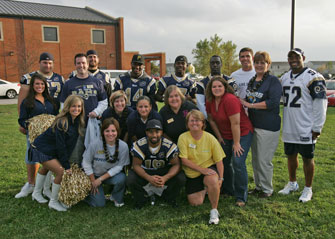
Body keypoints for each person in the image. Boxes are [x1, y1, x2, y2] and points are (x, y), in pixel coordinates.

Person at [278, 48, 327, 202]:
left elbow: (320, 103)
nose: (293, 60)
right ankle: (292, 183)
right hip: (289, 125)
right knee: (290, 155)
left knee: (307, 157)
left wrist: (317, 127)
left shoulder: (314, 77)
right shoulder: (285, 77)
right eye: (290, 57)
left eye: (296, 57)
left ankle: (308, 188)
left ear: (303, 57)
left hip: (306, 125)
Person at [30, 95, 85, 211]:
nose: (77, 109)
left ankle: (36, 193)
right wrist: (66, 165)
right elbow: (61, 146)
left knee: (46, 168)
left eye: (79, 106)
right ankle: (53, 202)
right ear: (67, 107)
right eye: (73, 106)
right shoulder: (62, 122)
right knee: (60, 171)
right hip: (41, 149)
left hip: (49, 150)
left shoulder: (76, 121)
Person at [239, 51, 282, 198]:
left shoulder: (273, 81)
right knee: (256, 159)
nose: (259, 65)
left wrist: (251, 106)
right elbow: (248, 98)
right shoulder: (253, 80)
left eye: (262, 62)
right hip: (254, 125)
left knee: (264, 160)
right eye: (257, 62)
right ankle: (259, 186)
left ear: (268, 64)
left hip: (268, 126)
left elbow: (273, 102)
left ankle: (267, 189)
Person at [206, 76, 253, 207]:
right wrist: (219, 137)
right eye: (214, 86)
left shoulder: (230, 100)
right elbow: (211, 120)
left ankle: (241, 196)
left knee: (238, 162)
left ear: (225, 87)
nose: (217, 89)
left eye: (220, 86)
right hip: (225, 135)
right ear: (210, 89)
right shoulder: (210, 100)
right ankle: (228, 189)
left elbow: (236, 123)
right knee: (223, 161)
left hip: (242, 133)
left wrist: (236, 143)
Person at [16, 73, 59, 199]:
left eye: (42, 84)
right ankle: (35, 190)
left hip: (49, 136)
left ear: (45, 86)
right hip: (35, 136)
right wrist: (32, 126)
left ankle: (45, 190)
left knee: (48, 161)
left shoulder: (51, 101)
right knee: (35, 159)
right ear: (32, 86)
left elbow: (55, 116)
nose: (40, 86)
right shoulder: (27, 102)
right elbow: (22, 119)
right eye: (37, 84)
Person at [177, 110, 224, 225]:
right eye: (191, 120)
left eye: (197, 120)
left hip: (208, 168)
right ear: (187, 123)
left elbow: (219, 161)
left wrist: (221, 179)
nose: (194, 123)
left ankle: (214, 210)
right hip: (192, 173)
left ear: (203, 123)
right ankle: (207, 189)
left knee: (212, 179)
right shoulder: (183, 138)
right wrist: (201, 170)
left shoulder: (210, 138)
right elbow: (184, 160)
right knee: (195, 203)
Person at [127, 119, 185, 209]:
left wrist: (165, 177)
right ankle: (141, 199)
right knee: (131, 178)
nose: (154, 135)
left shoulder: (168, 145)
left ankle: (169, 197)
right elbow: (136, 165)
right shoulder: (139, 145)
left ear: (162, 132)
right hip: (146, 171)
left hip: (163, 171)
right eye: (151, 132)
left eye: (157, 131)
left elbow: (177, 165)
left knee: (180, 177)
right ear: (146, 132)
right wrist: (148, 178)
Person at [82, 118, 130, 207]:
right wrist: (93, 181)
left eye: (113, 131)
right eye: (107, 131)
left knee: (122, 178)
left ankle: (115, 197)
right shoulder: (95, 144)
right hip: (94, 175)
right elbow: (86, 162)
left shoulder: (123, 146)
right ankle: (85, 195)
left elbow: (119, 166)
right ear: (102, 132)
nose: (110, 134)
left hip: (109, 176)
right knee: (99, 204)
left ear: (117, 132)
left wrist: (100, 179)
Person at [60, 53, 107, 122]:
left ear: (87, 64)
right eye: (78, 63)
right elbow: (63, 104)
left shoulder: (97, 82)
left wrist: (96, 112)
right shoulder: (68, 83)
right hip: (74, 123)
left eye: (83, 63)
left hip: (92, 121)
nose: (81, 65)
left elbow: (104, 102)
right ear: (75, 65)